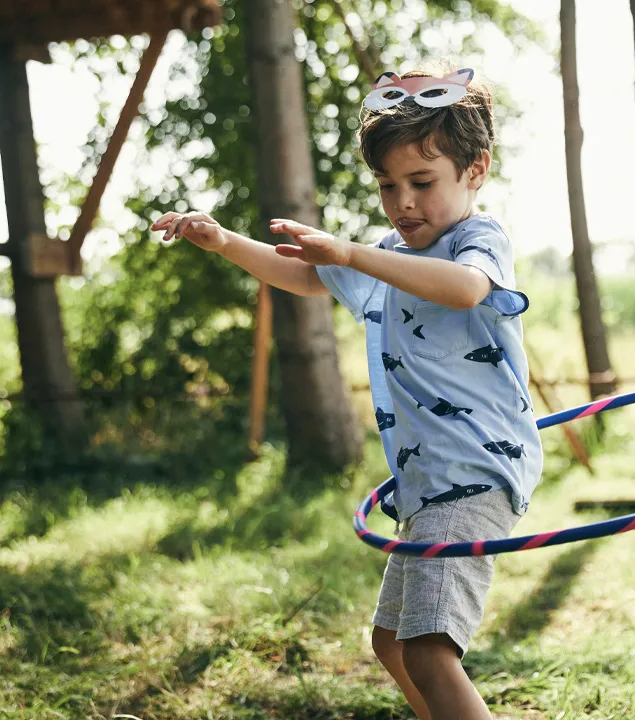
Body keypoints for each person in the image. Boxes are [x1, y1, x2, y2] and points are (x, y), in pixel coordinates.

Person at [151, 66, 542, 720]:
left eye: (422, 182)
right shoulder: (388, 251)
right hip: (426, 484)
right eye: (388, 185)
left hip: (472, 475)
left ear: (475, 171)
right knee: (391, 643)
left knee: (428, 651)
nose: (402, 202)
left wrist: (354, 253)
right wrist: (221, 241)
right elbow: (306, 277)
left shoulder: (478, 238)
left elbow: (467, 289)